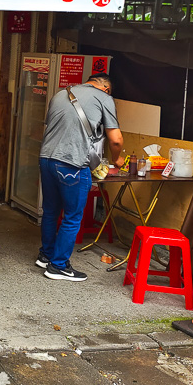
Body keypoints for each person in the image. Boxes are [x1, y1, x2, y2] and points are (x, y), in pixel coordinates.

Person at [37, 72, 124, 282]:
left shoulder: (60, 94)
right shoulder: (104, 98)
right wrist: (117, 159)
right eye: (108, 91)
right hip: (71, 163)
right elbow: (116, 139)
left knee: (50, 210)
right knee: (73, 216)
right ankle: (58, 266)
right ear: (105, 87)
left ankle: (46, 255)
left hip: (46, 159)